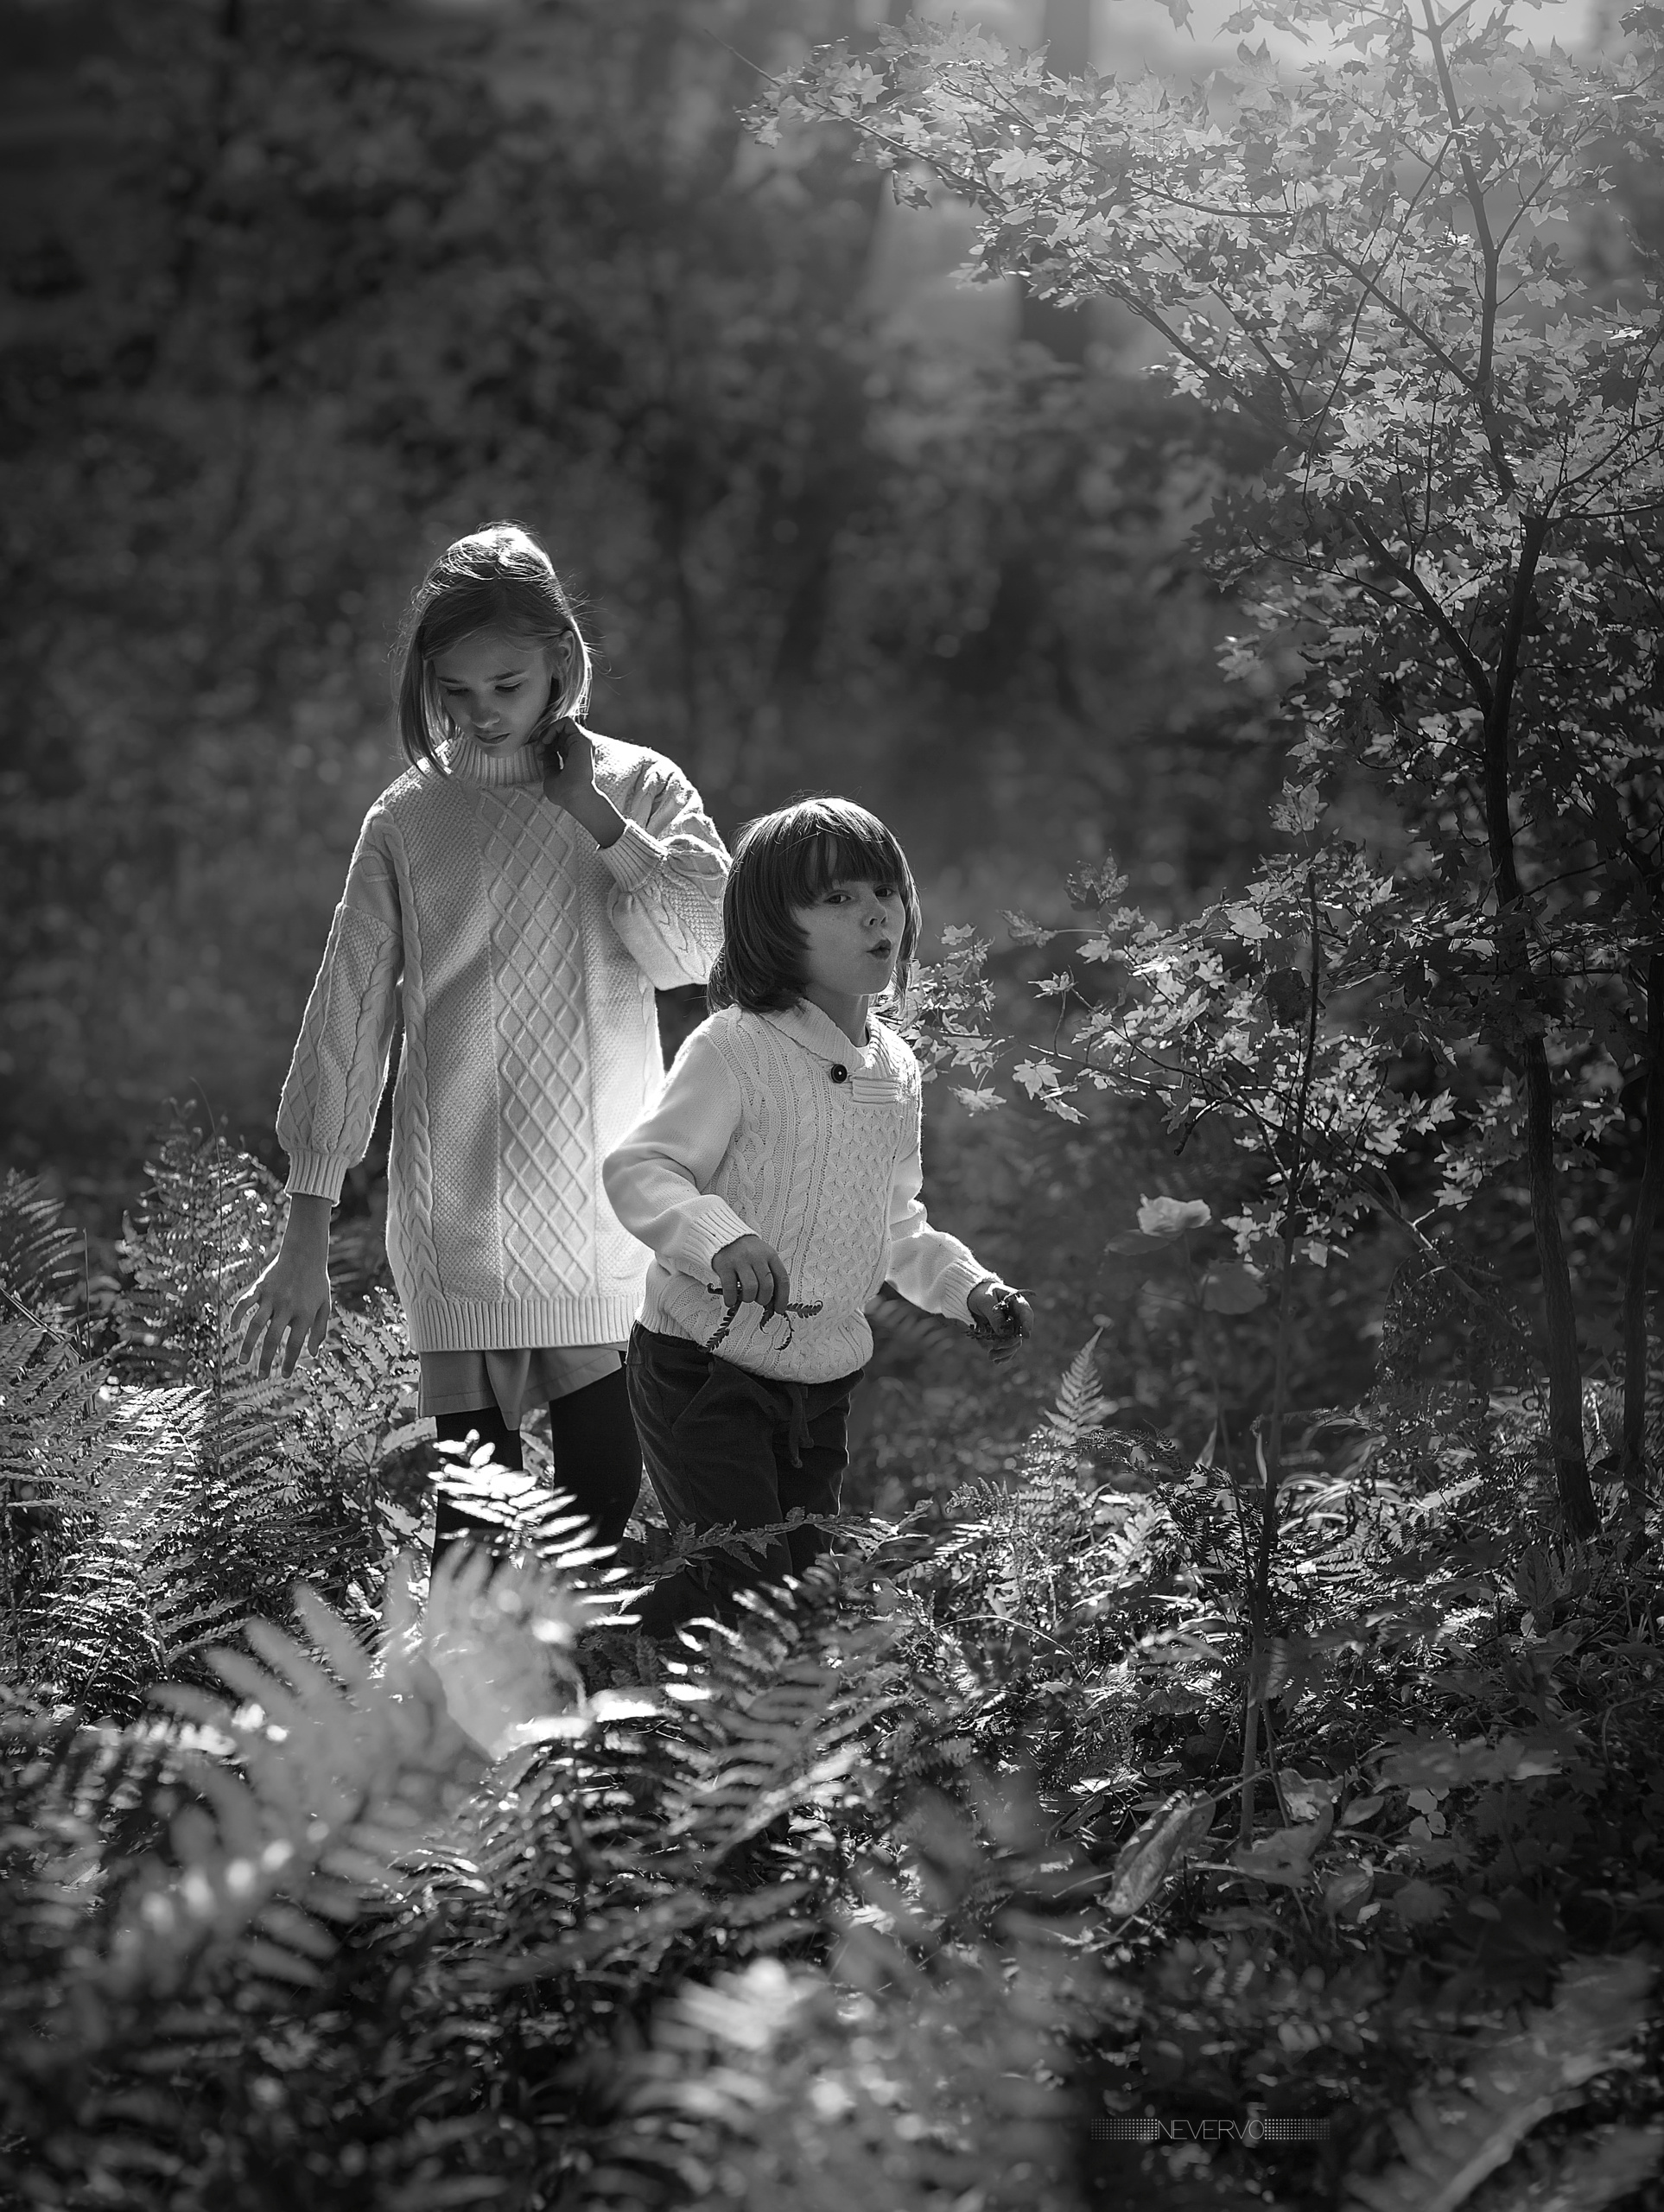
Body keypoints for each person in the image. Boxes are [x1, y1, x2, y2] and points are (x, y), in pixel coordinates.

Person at [233, 521, 729, 1556]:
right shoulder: (408, 818)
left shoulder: (640, 788)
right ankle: (468, 1710)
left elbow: (697, 950)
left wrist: (591, 814)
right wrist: (305, 1231)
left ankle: (572, 1711)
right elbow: (346, 1018)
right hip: (458, 1216)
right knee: (471, 1528)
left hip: (605, 1210)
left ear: (561, 658)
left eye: (504, 684)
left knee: (595, 1514)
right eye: (454, 691)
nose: (480, 712)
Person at [602, 797, 1031, 1637]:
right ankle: (624, 1677)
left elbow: (898, 1226)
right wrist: (719, 1237)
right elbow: (641, 1167)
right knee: (750, 1592)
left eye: (885, 890)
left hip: (821, 1387)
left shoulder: (898, 1070)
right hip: (704, 1366)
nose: (875, 912)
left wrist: (967, 1288)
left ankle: (624, 1647)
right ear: (772, 926)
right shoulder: (736, 1046)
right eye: (835, 898)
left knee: (798, 1591)